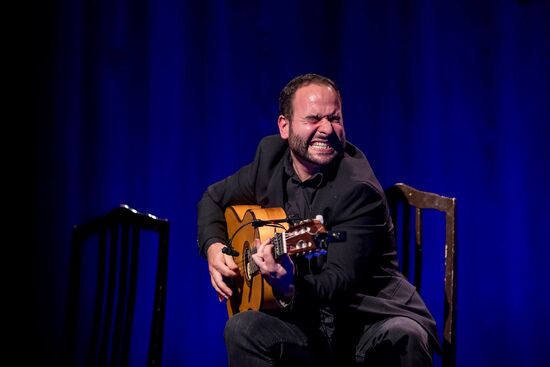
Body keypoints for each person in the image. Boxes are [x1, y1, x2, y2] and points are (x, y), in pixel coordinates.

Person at [197, 73, 439, 366]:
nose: (327, 129)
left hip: (366, 322)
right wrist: (213, 247)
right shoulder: (270, 159)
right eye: (313, 119)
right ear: (284, 127)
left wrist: (286, 285)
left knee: (403, 336)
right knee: (242, 328)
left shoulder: (358, 189)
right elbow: (213, 198)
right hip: (307, 324)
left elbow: (336, 281)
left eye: (334, 118)